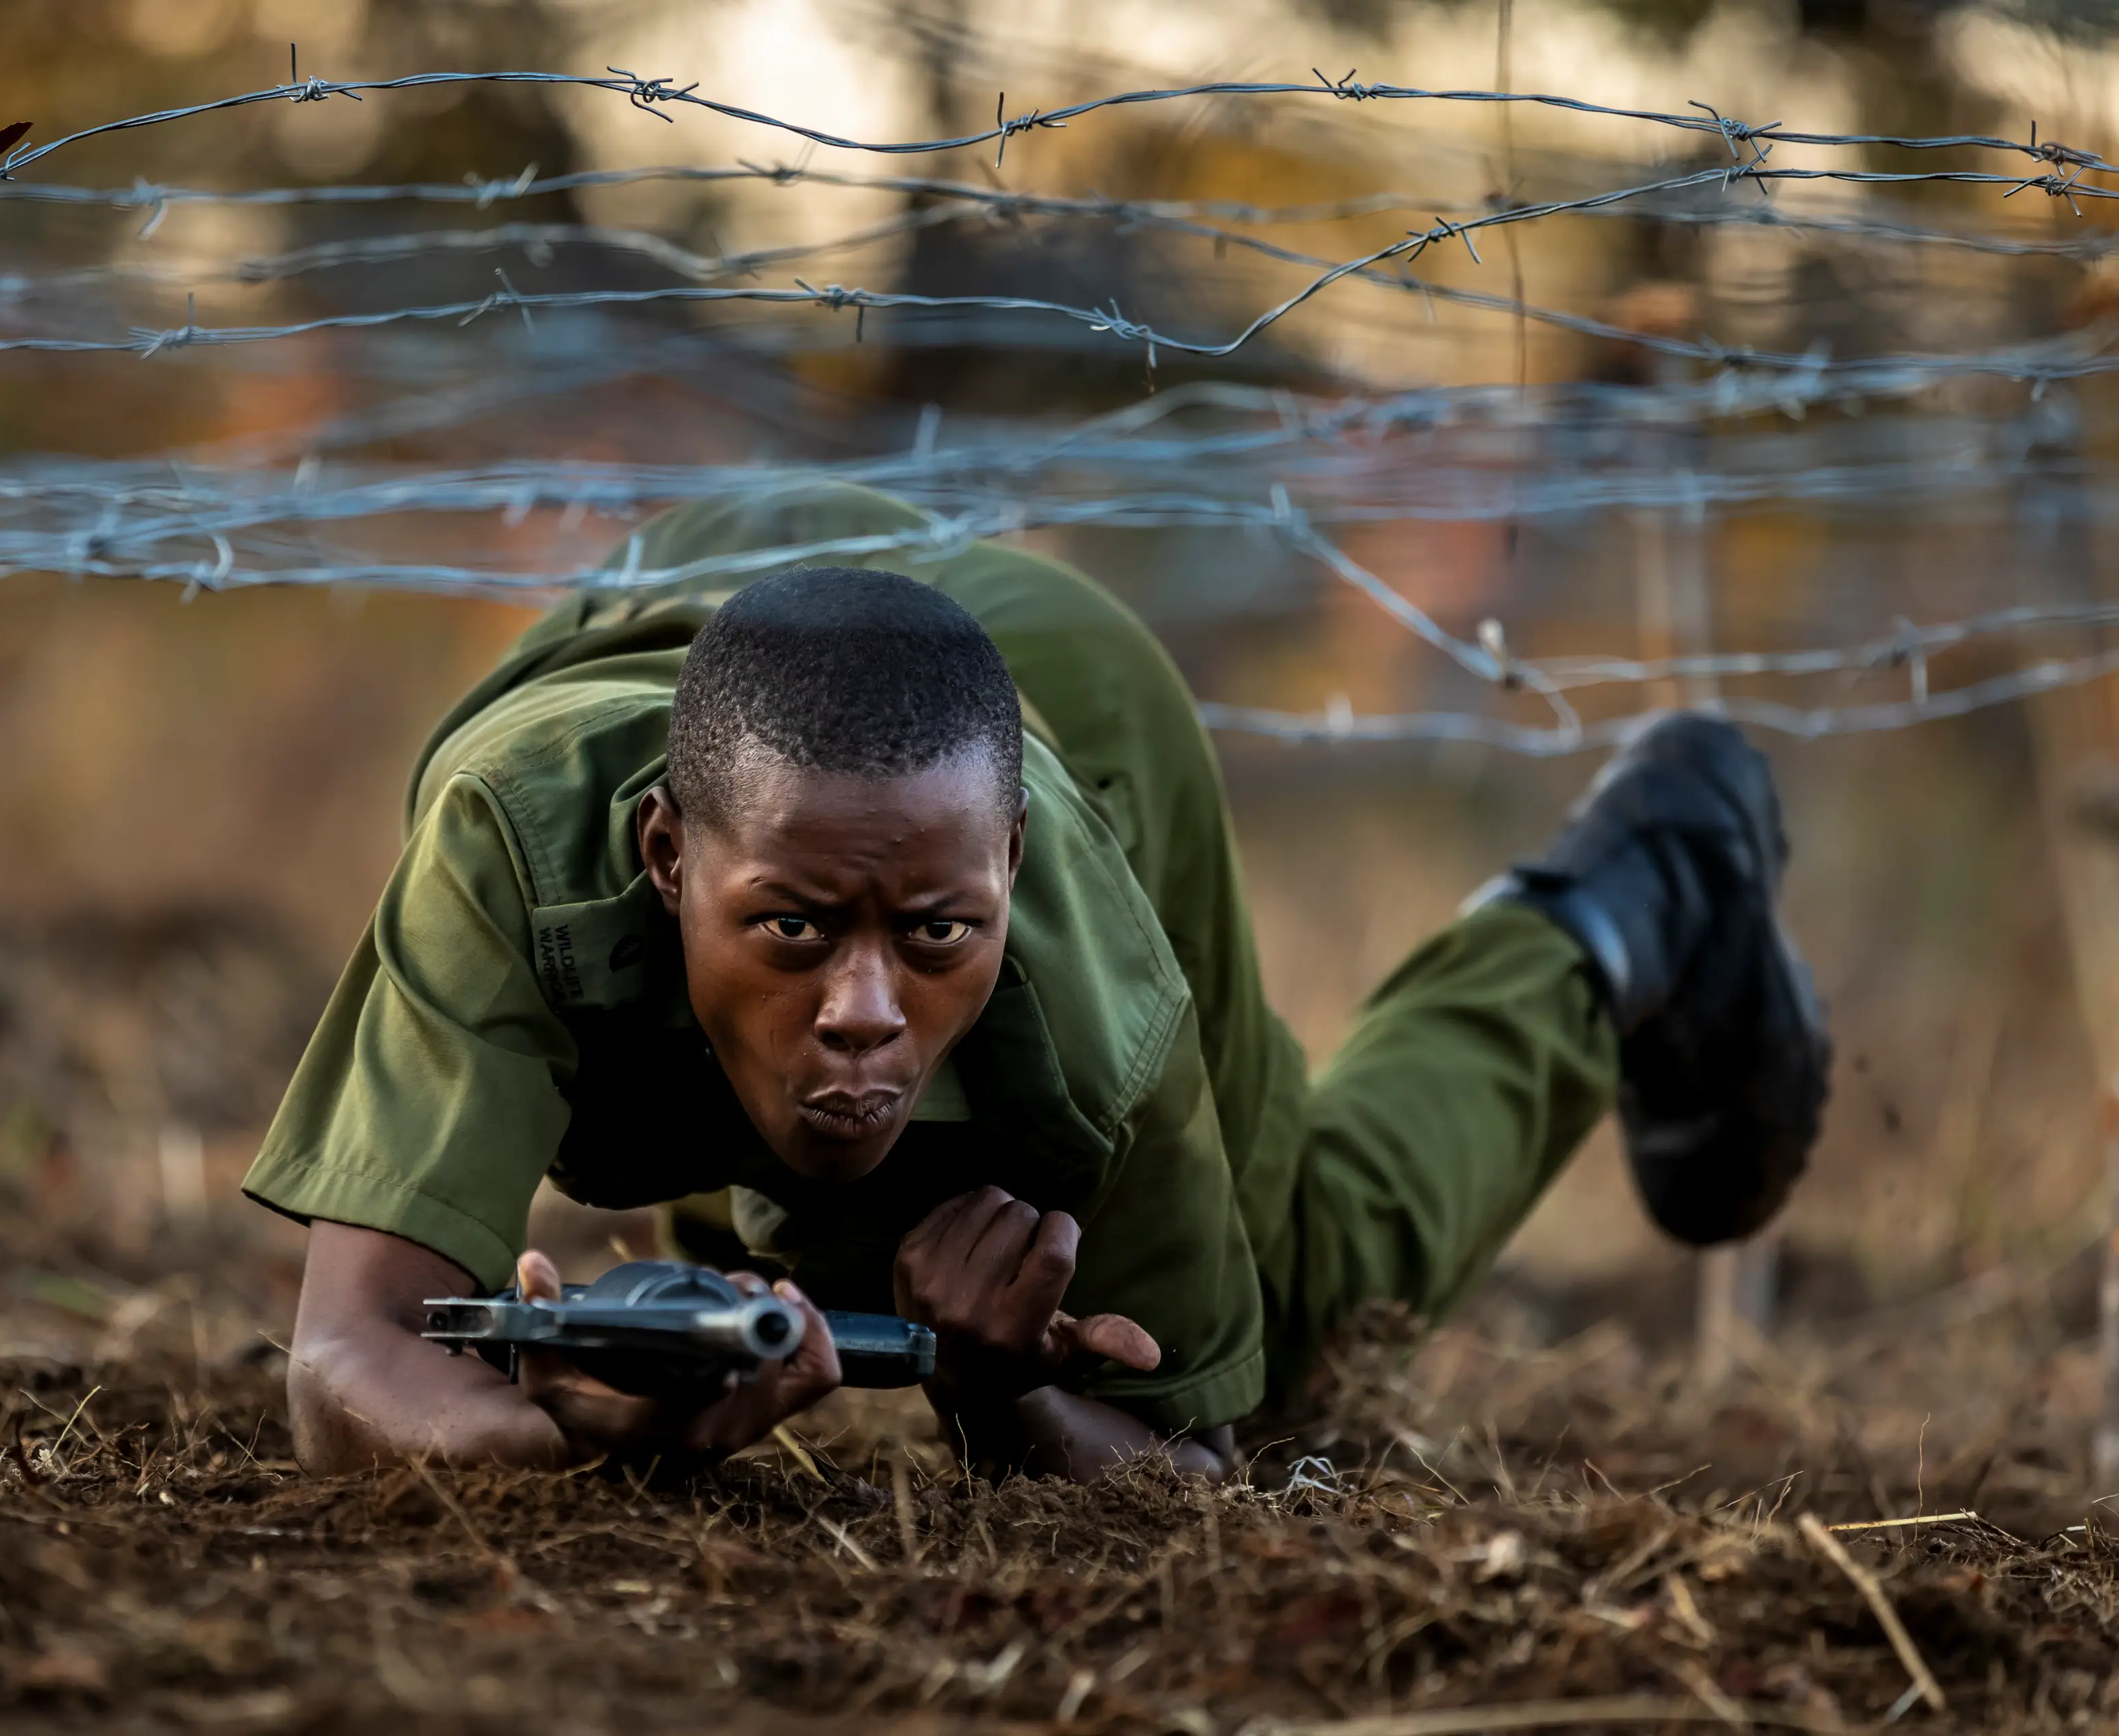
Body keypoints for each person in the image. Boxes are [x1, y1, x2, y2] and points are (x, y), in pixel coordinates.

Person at [246, 481, 1829, 1480]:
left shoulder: (1091, 1012)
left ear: (1006, 873)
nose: (868, 1004)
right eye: (797, 929)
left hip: (1048, 682)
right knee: (819, 1169)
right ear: (663, 856)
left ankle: (1629, 896)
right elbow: (345, 1364)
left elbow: (1196, 1460)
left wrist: (1001, 1396)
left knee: (1313, 1320)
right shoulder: (514, 857)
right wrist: (599, 1420)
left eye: (932, 938)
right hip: (752, 626)